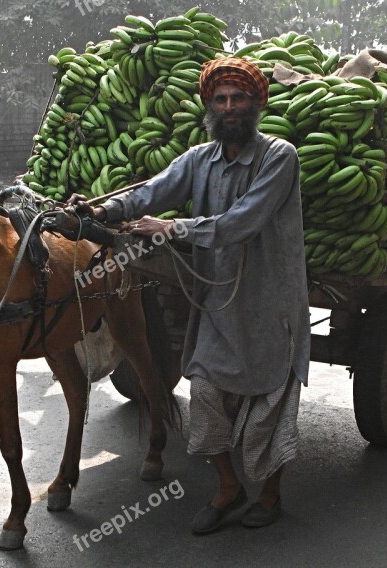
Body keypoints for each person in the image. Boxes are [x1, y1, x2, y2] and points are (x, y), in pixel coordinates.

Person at [68, 57, 310, 534]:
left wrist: (171, 227)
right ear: (209, 108)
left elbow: (244, 222)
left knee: (268, 409)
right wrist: (99, 209)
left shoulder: (279, 156)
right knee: (205, 396)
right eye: (220, 99)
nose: (230, 106)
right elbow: (151, 193)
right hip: (217, 305)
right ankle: (227, 487)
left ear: (256, 103)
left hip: (270, 303)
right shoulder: (199, 159)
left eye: (239, 98)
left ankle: (270, 493)